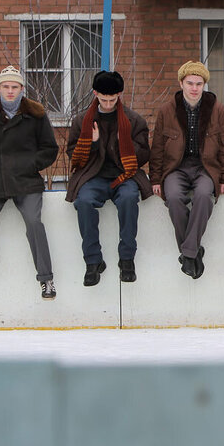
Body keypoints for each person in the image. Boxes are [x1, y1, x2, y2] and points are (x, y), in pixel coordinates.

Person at [0, 65, 59, 300]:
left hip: (27, 181)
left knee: (34, 221)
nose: (10, 91)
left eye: (14, 87)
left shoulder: (36, 114)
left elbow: (50, 149)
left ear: (21, 89)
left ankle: (46, 280)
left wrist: (29, 164)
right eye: (6, 86)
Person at [66, 70, 152, 286]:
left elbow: (144, 154)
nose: (107, 103)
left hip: (125, 176)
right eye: (103, 98)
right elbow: (73, 156)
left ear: (119, 95)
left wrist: (125, 144)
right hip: (93, 176)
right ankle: (93, 261)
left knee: (129, 199)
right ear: (95, 93)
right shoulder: (81, 121)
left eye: (112, 99)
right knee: (83, 202)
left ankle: (127, 258)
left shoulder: (133, 120)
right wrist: (91, 142)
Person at [149, 60, 224, 280]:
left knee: (204, 196)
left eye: (199, 83)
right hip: (175, 167)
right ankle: (193, 251)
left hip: (206, 167)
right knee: (175, 198)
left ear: (204, 85)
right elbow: (157, 146)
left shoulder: (216, 108)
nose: (195, 88)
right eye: (190, 83)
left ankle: (188, 254)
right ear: (181, 83)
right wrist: (156, 179)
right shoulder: (167, 110)